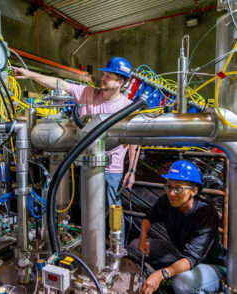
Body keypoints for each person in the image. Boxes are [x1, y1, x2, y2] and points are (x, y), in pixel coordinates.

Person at [13, 57, 140, 245]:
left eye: (108, 77)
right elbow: (61, 84)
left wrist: (132, 170)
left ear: (119, 83)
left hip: (111, 170)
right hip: (86, 165)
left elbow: (134, 142)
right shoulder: (89, 94)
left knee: (112, 209)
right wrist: (29, 74)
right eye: (103, 75)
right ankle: (91, 247)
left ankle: (116, 251)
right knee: (87, 208)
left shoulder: (127, 107)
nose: (102, 79)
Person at [128, 160, 227, 294]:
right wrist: (142, 238)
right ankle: (157, 283)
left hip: (210, 264)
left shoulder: (206, 213)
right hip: (181, 251)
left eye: (178, 188)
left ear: (194, 191)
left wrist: (162, 274)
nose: (172, 193)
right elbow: (148, 218)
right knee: (134, 247)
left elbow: (192, 258)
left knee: (182, 283)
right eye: (169, 187)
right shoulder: (167, 201)